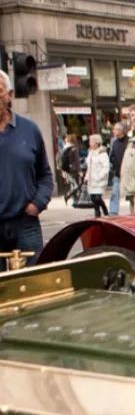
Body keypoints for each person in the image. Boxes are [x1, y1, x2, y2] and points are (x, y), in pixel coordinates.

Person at [0, 69, 53, 269]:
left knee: (32, 279)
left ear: (10, 95)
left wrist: (37, 204)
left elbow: (45, 175)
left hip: (26, 223)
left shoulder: (29, 130)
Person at [85, 134, 111, 217]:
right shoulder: (90, 153)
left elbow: (106, 167)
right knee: (93, 199)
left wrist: (100, 176)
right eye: (90, 142)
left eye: (92, 142)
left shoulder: (102, 153)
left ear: (97, 143)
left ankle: (105, 210)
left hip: (99, 180)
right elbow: (89, 166)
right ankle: (97, 215)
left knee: (97, 198)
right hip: (91, 180)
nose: (90, 143)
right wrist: (86, 176)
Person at [108, 121, 128, 215]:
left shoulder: (129, 142)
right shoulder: (114, 142)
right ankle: (113, 212)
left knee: (132, 195)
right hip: (117, 173)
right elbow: (111, 156)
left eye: (115, 129)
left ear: (121, 130)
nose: (113, 131)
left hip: (128, 173)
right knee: (114, 193)